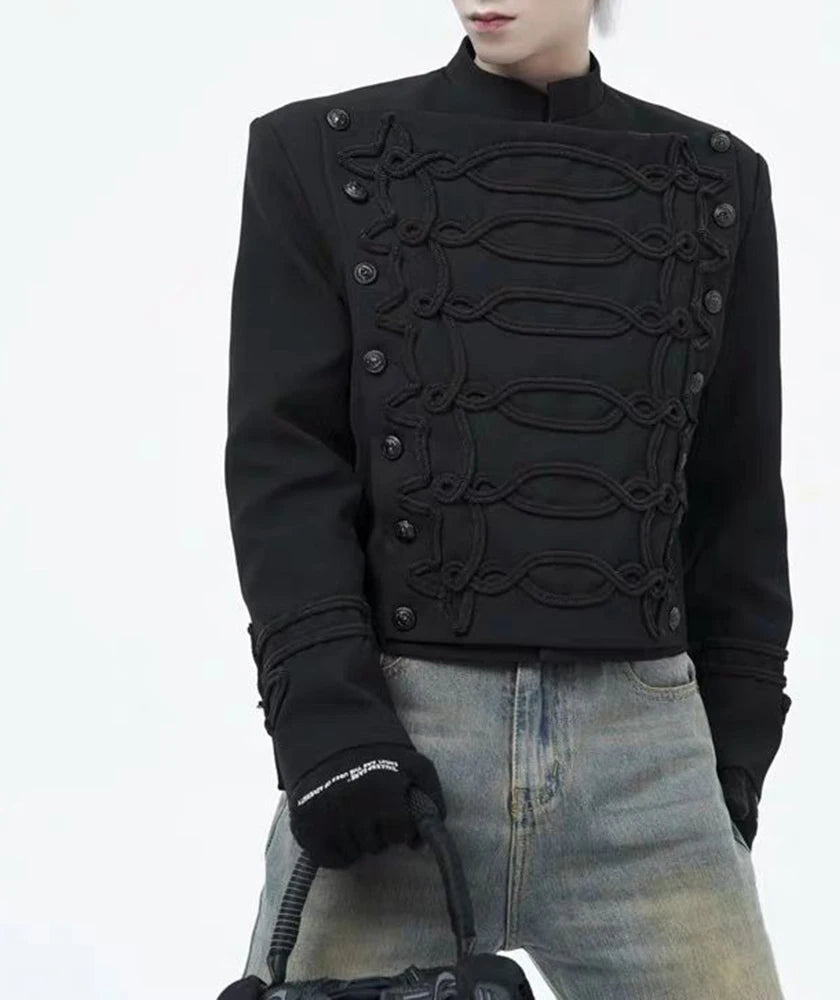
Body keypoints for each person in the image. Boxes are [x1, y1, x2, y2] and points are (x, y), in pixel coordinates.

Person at [223, 1, 792, 996]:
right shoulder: (314, 153)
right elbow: (285, 464)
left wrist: (733, 758)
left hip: (648, 768)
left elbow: (734, 484)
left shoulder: (717, 179)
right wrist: (328, 730)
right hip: (394, 756)